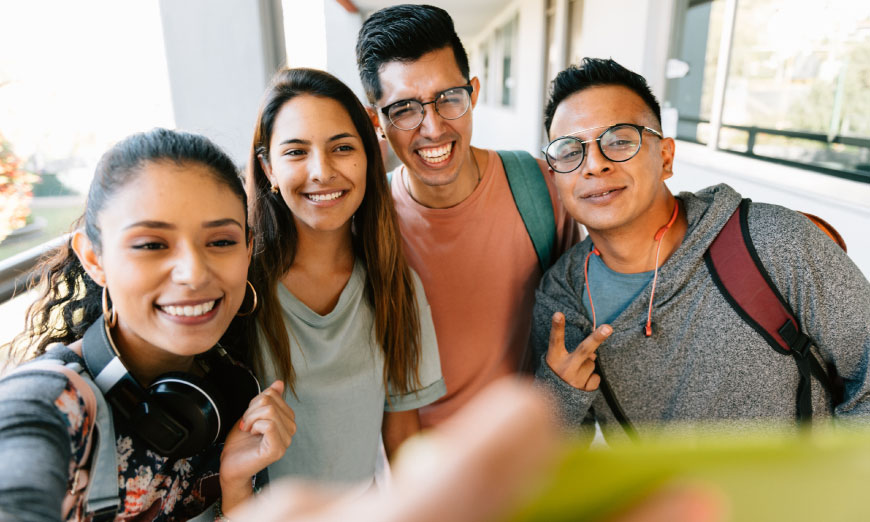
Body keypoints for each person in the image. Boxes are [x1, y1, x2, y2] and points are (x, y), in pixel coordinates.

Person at [532, 57, 870, 440]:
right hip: (669, 500)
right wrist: (560, 393)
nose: (594, 165)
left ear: (665, 157)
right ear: (555, 176)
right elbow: (554, 459)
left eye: (619, 141)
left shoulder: (774, 241)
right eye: (569, 151)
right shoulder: (563, 297)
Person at [0, 128, 296, 520]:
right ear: (93, 259)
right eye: (152, 245)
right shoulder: (49, 403)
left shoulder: (230, 387)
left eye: (221, 241)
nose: (193, 273)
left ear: (247, 248)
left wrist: (237, 486)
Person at [355, 4, 582, 428]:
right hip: (421, 467)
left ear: (473, 92)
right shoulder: (366, 219)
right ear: (377, 122)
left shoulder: (540, 187)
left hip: (523, 459)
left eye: (448, 99)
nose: (433, 127)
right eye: (405, 109)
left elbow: (579, 323)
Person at [245, 68, 445, 488]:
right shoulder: (239, 288)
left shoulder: (396, 285)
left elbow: (403, 437)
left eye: (341, 147)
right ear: (268, 169)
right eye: (296, 152)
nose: (321, 171)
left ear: (369, 157)